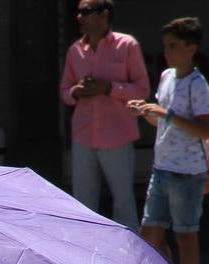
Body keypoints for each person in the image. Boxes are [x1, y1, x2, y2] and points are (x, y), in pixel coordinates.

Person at [129, 17, 209, 264]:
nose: (167, 52)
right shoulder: (166, 77)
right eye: (166, 46)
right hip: (162, 166)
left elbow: (203, 130)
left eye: (173, 46)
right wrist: (146, 111)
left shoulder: (198, 85)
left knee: (186, 235)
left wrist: (165, 113)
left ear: (191, 48)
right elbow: (163, 120)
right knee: (150, 233)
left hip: (187, 172)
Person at [59, 0, 149, 230]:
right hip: (84, 134)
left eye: (86, 12)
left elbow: (142, 90)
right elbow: (64, 92)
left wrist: (109, 88)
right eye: (77, 12)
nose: (79, 17)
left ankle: (129, 259)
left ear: (104, 15)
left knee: (123, 202)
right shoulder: (75, 50)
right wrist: (76, 91)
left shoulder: (127, 45)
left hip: (117, 135)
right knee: (83, 202)